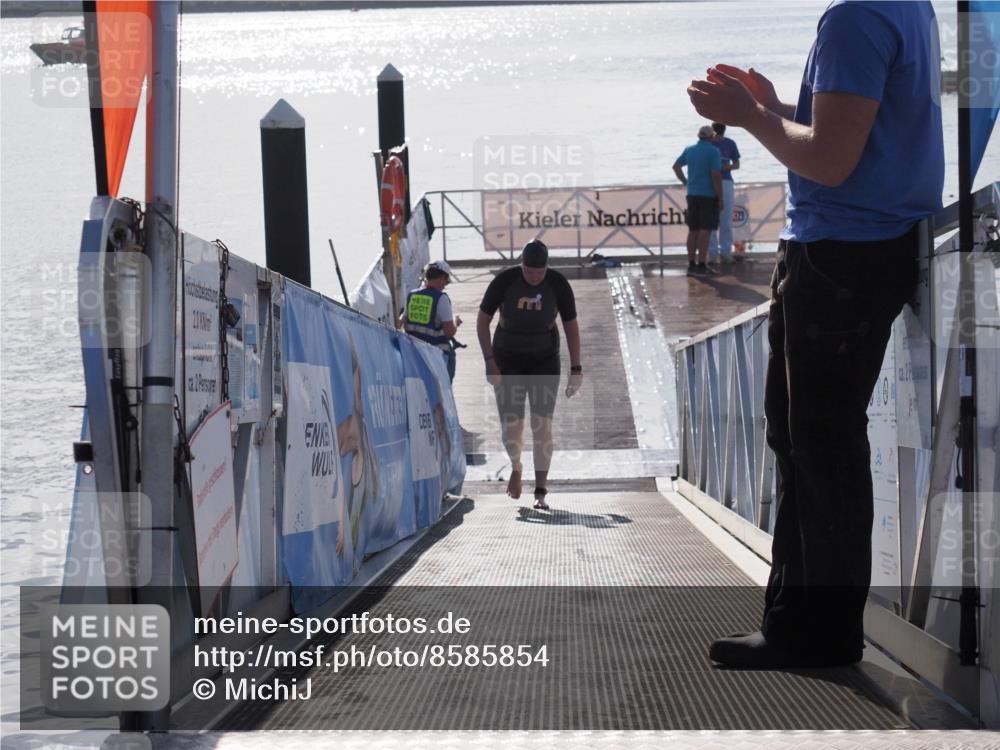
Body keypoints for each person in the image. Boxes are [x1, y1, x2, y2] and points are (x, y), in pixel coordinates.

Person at [687, 1, 943, 668]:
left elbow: (830, 162)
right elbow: (855, 134)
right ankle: (802, 622)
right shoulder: (905, 6)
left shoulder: (855, 15)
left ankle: (817, 632)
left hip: (841, 251)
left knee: (819, 446)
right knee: (806, 439)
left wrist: (754, 118)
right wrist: (776, 108)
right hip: (872, 243)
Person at [477, 240, 583, 510]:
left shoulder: (558, 284)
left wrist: (576, 368)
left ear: (547, 267)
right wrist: (490, 361)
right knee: (511, 427)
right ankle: (516, 466)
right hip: (507, 357)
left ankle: (541, 490)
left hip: (544, 358)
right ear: (521, 265)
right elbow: (481, 320)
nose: (535, 277)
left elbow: (571, 325)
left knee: (542, 426)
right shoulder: (506, 281)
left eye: (540, 272)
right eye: (529, 272)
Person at [673, 125, 724, 276]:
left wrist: (685, 182)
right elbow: (716, 175)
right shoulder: (713, 151)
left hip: (692, 194)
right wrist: (720, 197)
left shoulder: (689, 149)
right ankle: (702, 264)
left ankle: (691, 264)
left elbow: (676, 166)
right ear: (711, 137)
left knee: (693, 230)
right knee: (705, 230)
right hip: (707, 195)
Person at [403, 260, 462, 382]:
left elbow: (405, 324)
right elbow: (449, 332)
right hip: (436, 356)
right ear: (441, 277)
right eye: (447, 280)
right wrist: (456, 323)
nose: (446, 284)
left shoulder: (412, 295)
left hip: (414, 354)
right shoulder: (441, 299)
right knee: (442, 393)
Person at [707, 122, 741, 264]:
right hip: (709, 183)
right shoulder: (707, 145)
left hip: (726, 180)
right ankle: (712, 254)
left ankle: (725, 252)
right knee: (711, 219)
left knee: (726, 218)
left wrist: (728, 166)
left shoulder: (730, 143)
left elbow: (737, 164)